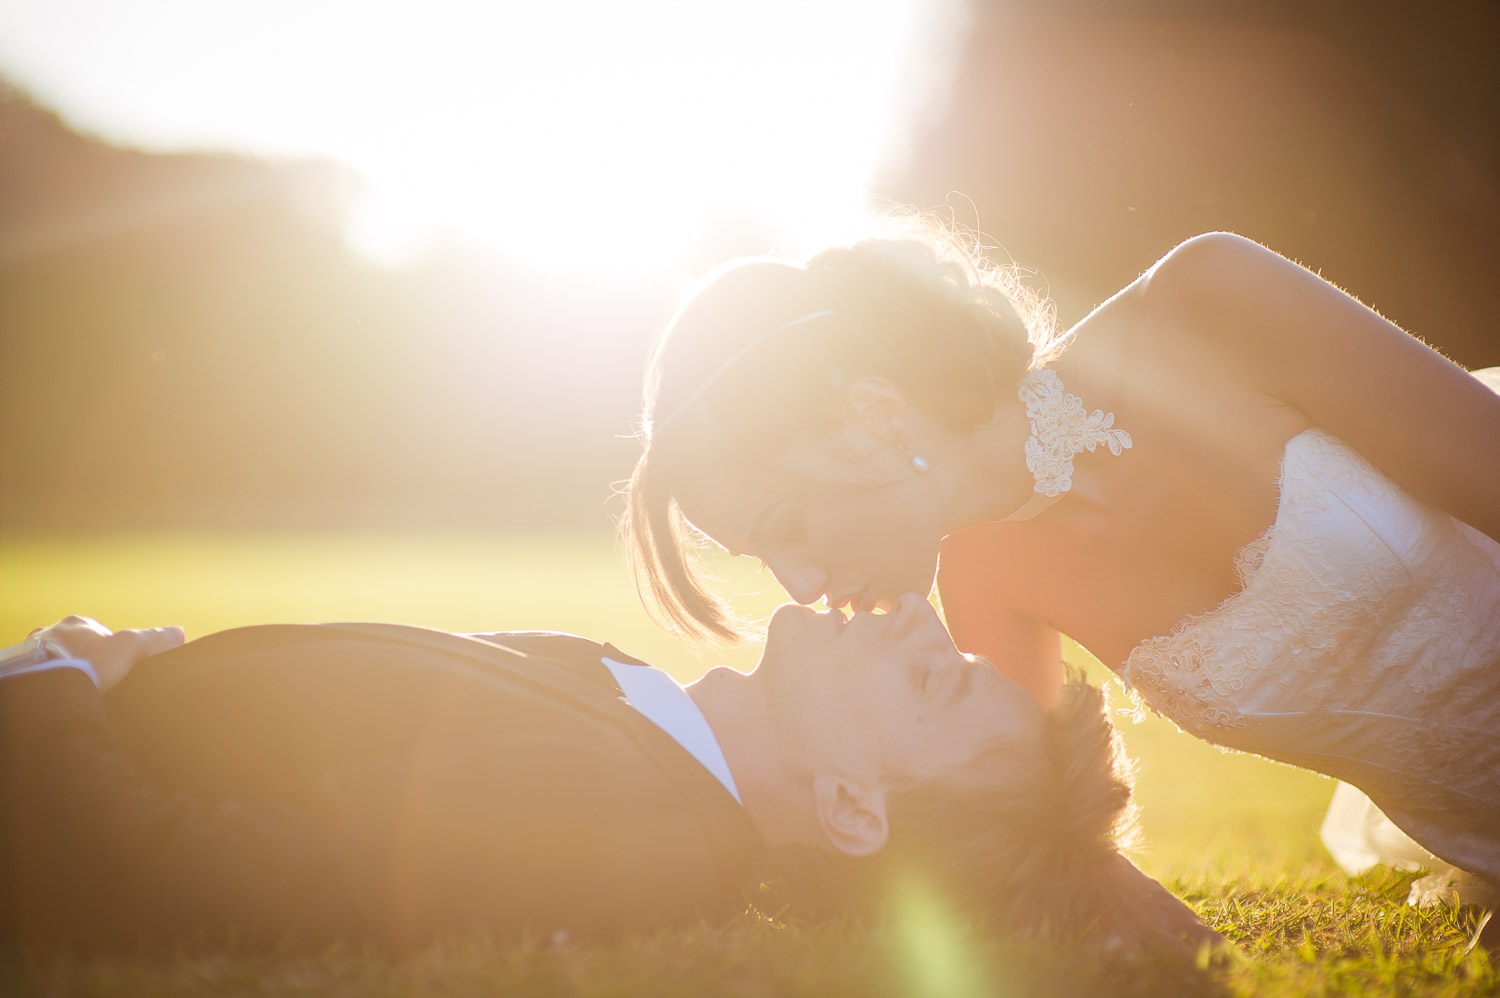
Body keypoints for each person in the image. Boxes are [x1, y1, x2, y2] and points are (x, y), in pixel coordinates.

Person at [622, 224, 1500, 896]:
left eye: (787, 525)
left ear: (880, 418)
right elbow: (1041, 842)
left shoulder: (1209, 305)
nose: (802, 588)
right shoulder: (986, 588)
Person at [0, 598, 1214, 954]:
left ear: (852, 805)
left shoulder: (615, 809)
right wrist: (150, 669)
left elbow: (157, 873)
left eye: (934, 681)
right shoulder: (630, 701)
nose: (913, 619)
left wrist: (51, 677)